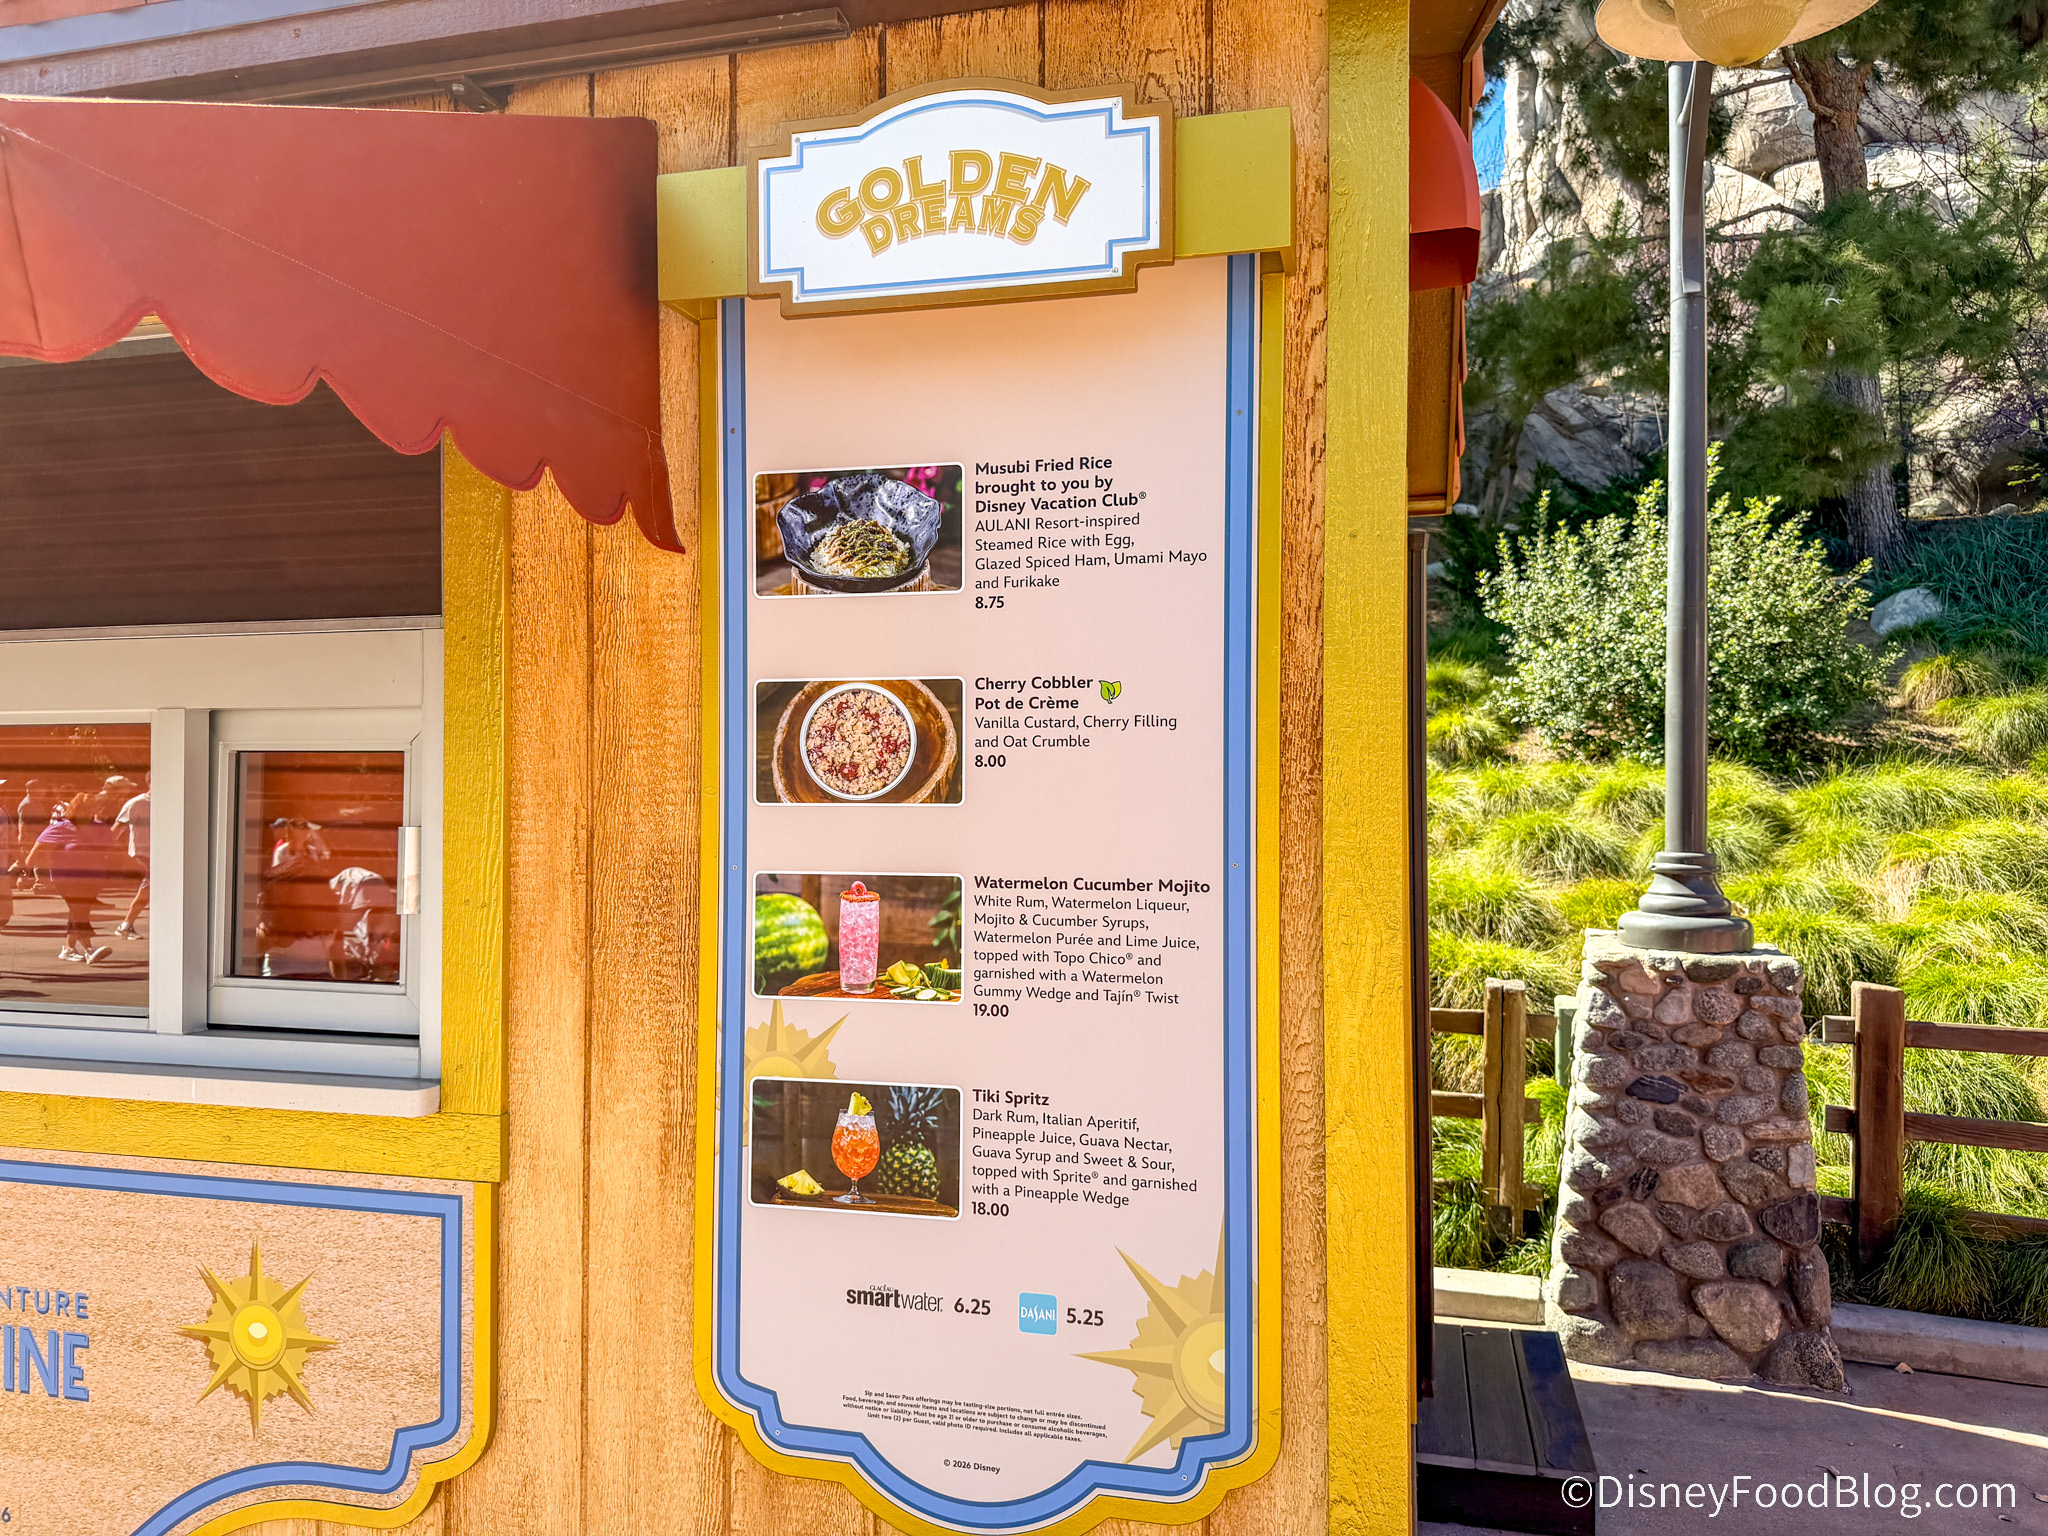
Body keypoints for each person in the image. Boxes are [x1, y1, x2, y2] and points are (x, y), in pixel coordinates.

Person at [35, 796, 111, 965]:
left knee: (78, 912)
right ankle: (89, 949)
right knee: (79, 910)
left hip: (93, 879)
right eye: (84, 808)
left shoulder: (99, 828)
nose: (89, 812)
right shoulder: (61, 828)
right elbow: (35, 855)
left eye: (91, 807)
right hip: (66, 878)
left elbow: (111, 851)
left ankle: (68, 949)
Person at [113, 781, 149, 941]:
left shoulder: (169, 802)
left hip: (162, 852)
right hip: (141, 853)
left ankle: (126, 925)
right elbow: (117, 829)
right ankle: (126, 926)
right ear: (150, 782)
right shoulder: (135, 804)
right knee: (149, 887)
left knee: (152, 890)